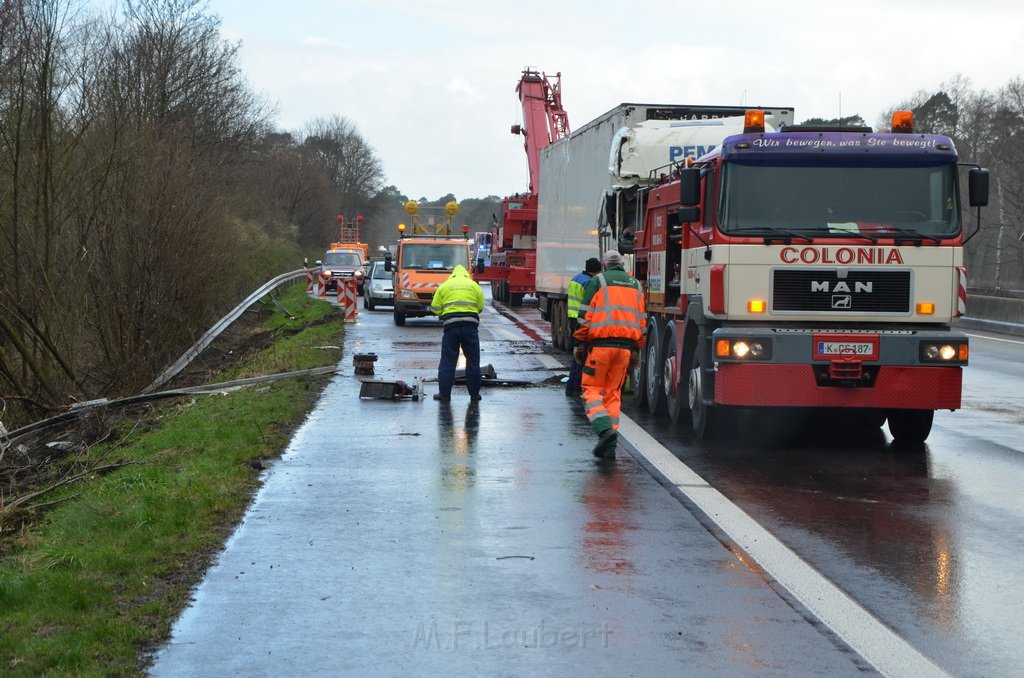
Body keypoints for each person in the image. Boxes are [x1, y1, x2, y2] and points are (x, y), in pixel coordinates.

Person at [573, 250, 646, 459]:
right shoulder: (636, 285)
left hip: (601, 347)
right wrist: (637, 348)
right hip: (624, 350)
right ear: (622, 264)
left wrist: (579, 342)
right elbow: (642, 322)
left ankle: (604, 430)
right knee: (613, 394)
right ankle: (609, 448)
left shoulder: (599, 281)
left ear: (604, 265)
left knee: (591, 389)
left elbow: (585, 316)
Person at [430, 264, 486, 402]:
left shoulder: (445, 286)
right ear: (466, 274)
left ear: (453, 274)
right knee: (473, 361)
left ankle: (444, 395)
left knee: (448, 361)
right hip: (470, 328)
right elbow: (480, 307)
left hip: (451, 328)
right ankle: (474, 395)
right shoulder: (474, 286)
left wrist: (444, 311)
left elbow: (435, 308)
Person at [565, 257, 602, 397]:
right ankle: (577, 387)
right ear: (596, 271)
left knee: (577, 354)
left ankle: (571, 386)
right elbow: (591, 302)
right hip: (583, 320)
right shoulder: (589, 282)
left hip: (573, 317)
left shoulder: (576, 278)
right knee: (583, 355)